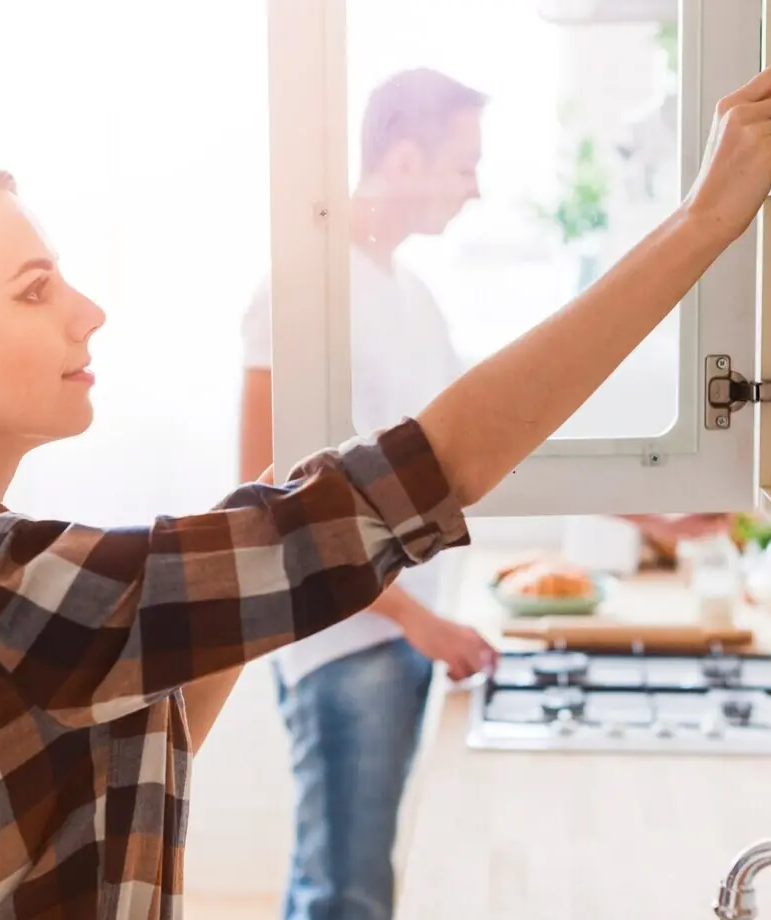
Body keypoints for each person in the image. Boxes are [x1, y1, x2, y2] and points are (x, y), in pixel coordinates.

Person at [0, 64, 771, 920]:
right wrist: (704, 221)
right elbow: (436, 461)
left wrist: (270, 553)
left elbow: (108, 776)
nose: (86, 311)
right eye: (33, 288)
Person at [239, 68, 498, 920]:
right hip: (341, 642)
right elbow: (267, 499)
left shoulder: (410, 295)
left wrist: (648, 501)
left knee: (341, 879)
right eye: (463, 166)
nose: (475, 190)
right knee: (344, 895)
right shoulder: (301, 291)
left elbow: (486, 436)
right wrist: (416, 621)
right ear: (404, 156)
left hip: (393, 634)